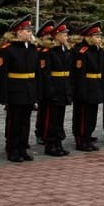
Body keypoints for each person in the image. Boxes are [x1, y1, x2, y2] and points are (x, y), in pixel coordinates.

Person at [0, 15, 38, 162]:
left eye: (30, 30)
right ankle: (12, 149)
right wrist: (4, 96)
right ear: (18, 32)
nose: (30, 32)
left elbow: (36, 72)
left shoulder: (32, 49)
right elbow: (2, 74)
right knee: (14, 122)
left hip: (29, 89)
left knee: (25, 121)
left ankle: (22, 148)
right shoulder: (8, 50)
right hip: (15, 90)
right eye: (26, 30)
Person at [38, 19, 73, 157]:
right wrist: (50, 90)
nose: (66, 37)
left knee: (59, 118)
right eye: (64, 34)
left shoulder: (65, 50)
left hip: (63, 88)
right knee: (50, 119)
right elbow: (46, 74)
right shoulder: (48, 51)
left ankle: (58, 143)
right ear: (57, 36)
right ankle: (50, 144)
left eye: (66, 34)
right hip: (53, 89)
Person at [71, 22, 104, 151]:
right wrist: (81, 92)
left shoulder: (98, 51)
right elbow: (79, 75)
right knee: (82, 116)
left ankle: (88, 136)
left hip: (95, 87)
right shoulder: (81, 51)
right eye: (96, 36)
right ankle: (81, 140)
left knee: (91, 115)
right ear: (88, 37)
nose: (99, 39)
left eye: (99, 37)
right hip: (85, 88)